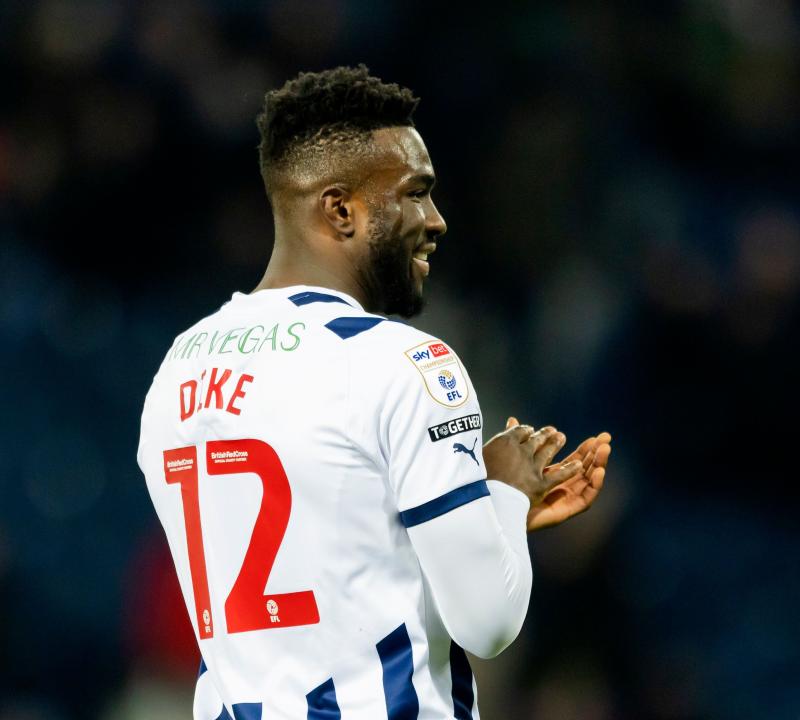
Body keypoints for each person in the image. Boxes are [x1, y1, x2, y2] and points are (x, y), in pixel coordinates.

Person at [137, 65, 612, 720]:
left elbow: (319, 558)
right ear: (340, 209)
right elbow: (489, 624)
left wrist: (467, 517)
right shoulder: (407, 363)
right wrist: (498, 491)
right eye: (414, 194)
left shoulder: (182, 366)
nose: (435, 219)